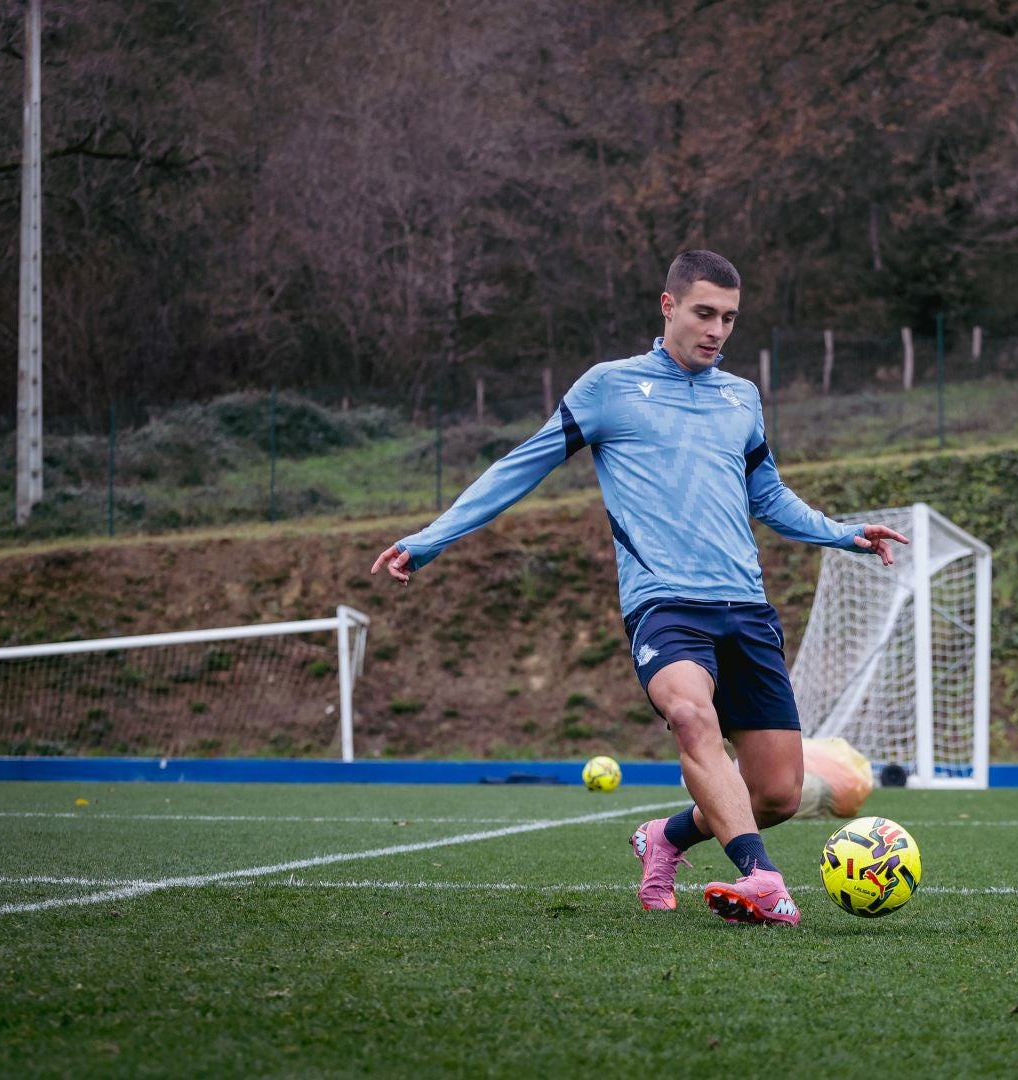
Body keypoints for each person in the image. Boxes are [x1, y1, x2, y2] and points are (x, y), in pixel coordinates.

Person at [371, 250, 907, 926]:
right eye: (704, 313)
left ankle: (667, 838)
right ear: (668, 306)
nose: (717, 330)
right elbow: (517, 468)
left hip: (745, 608)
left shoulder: (740, 397)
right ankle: (763, 878)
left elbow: (767, 498)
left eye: (730, 319)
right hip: (664, 605)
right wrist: (429, 539)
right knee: (690, 715)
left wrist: (844, 533)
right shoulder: (608, 387)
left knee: (774, 792)